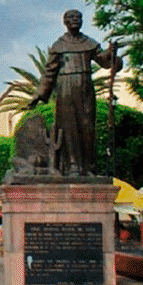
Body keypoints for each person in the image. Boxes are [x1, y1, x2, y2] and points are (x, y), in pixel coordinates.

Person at [28, 9, 121, 177]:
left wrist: (111, 53)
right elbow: (49, 71)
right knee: (68, 127)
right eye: (71, 17)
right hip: (65, 88)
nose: (76, 20)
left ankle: (88, 167)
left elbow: (105, 62)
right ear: (65, 21)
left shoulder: (89, 43)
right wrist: (39, 94)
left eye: (79, 17)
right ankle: (72, 165)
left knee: (87, 127)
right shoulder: (59, 45)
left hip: (85, 87)